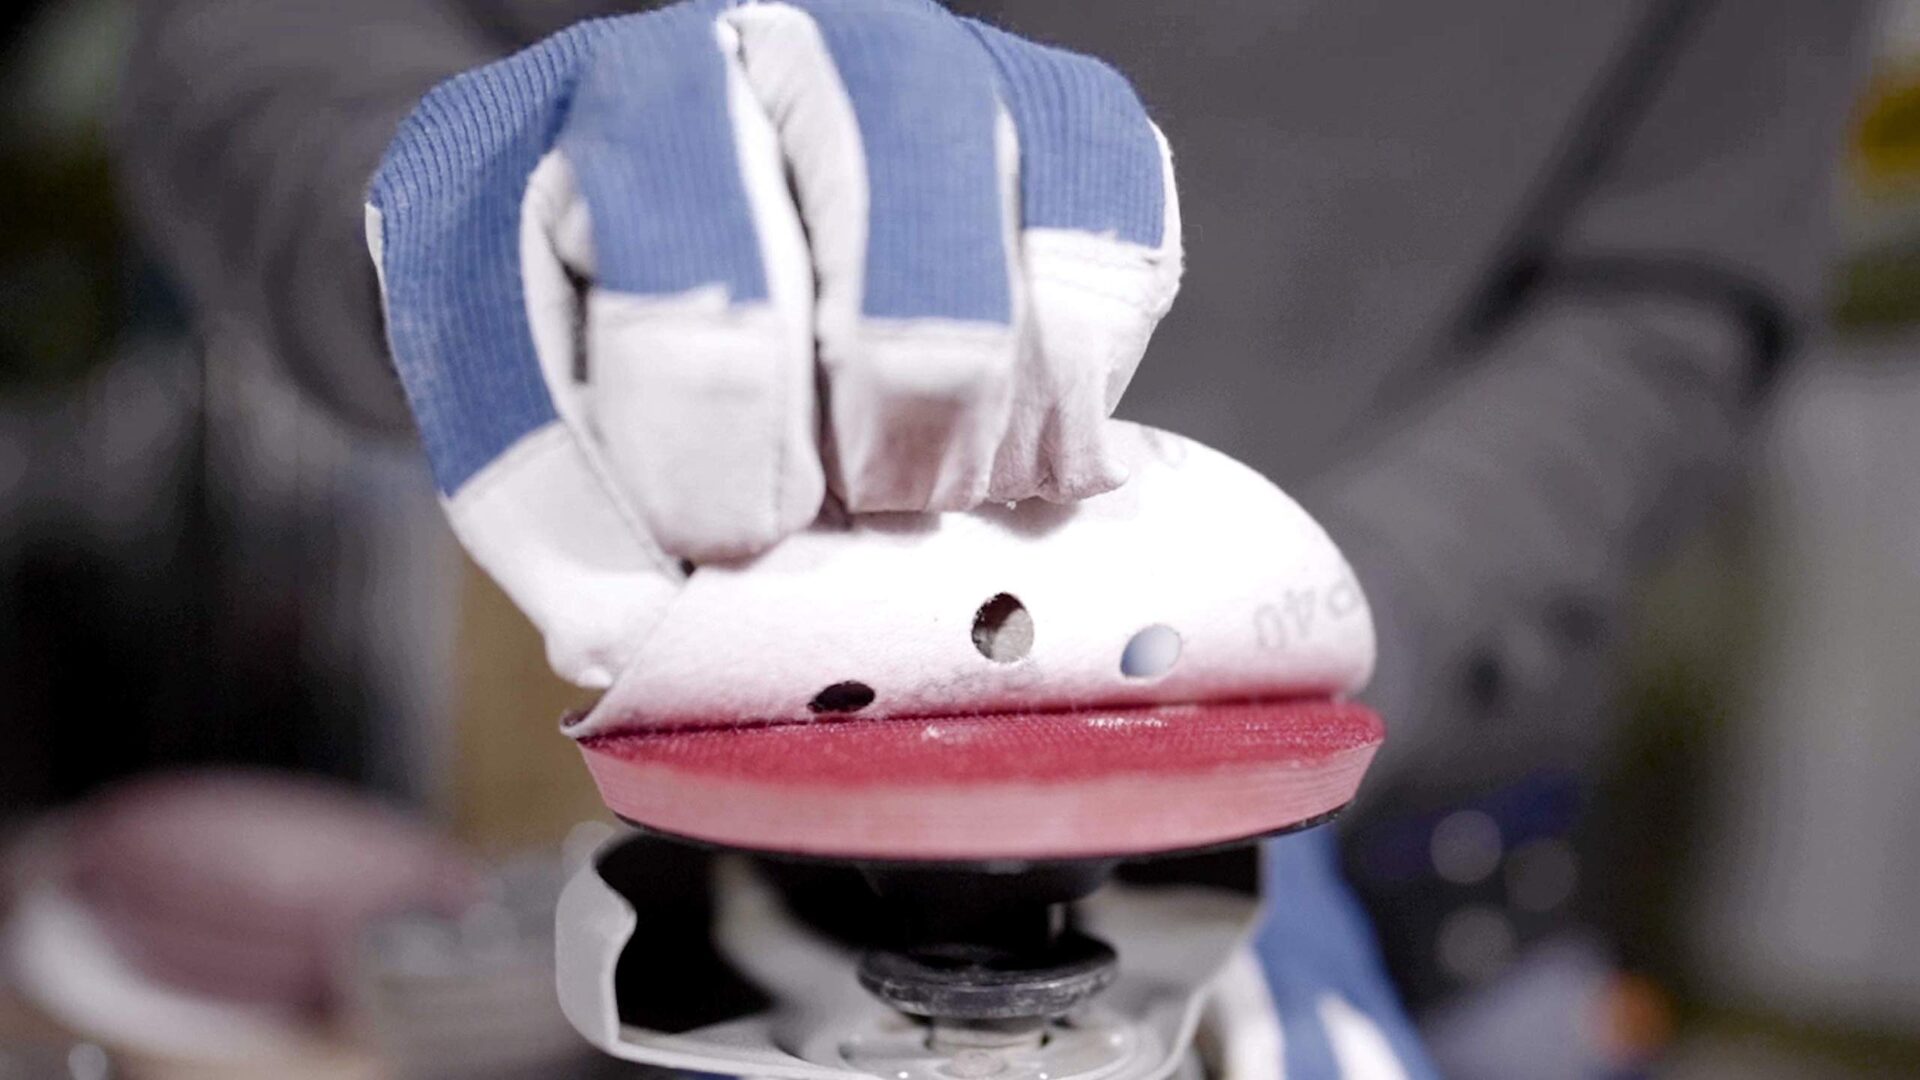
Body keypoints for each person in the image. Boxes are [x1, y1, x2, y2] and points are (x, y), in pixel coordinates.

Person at [114, 0, 1878, 1075]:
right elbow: (240, 35)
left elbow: (1673, 292)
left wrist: (1308, 636)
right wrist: (434, 205)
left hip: (1431, 880)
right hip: (719, 867)